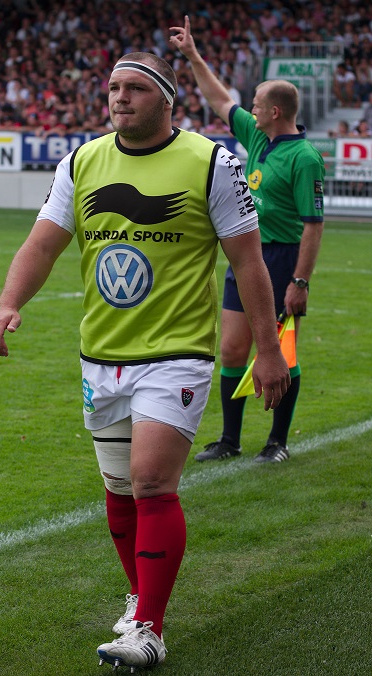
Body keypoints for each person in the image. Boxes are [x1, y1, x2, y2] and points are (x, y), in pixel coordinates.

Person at [0, 51, 290, 671]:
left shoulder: (211, 162)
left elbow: (248, 262)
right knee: (119, 491)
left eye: (134, 89)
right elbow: (43, 243)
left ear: (166, 99)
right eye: (113, 88)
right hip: (102, 352)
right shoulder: (83, 160)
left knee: (151, 482)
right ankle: (140, 598)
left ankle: (147, 627)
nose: (119, 98)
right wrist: (8, 303)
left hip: (175, 353)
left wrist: (265, 348)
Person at [170, 17, 325, 464]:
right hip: (247, 254)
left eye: (257, 104)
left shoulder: (305, 158)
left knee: (280, 351)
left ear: (276, 111)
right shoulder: (258, 137)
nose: (250, 109)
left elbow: (313, 225)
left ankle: (277, 442)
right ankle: (230, 440)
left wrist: (301, 281)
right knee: (233, 348)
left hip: (282, 259)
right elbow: (221, 101)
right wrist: (194, 56)